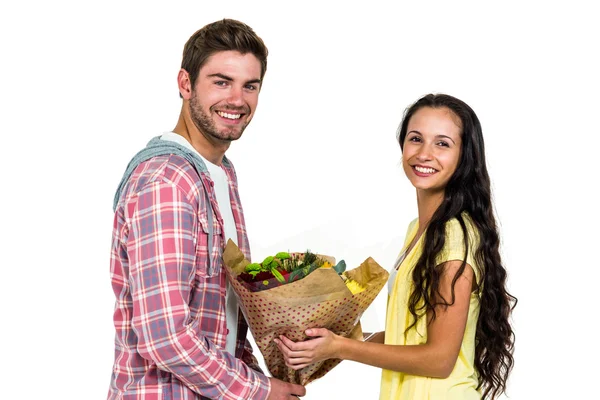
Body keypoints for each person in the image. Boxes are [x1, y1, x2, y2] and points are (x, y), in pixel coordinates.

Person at [107, 19, 306, 400]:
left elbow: (222, 321)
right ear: (185, 84)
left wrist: (273, 370)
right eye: (221, 82)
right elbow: (165, 336)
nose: (237, 99)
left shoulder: (219, 174)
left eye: (250, 86)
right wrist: (258, 391)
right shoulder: (167, 182)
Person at [276, 94, 517, 399]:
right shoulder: (420, 230)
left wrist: (341, 348)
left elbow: (439, 360)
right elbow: (411, 334)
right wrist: (341, 339)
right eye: (416, 139)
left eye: (442, 143)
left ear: (464, 156)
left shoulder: (454, 238)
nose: (424, 154)